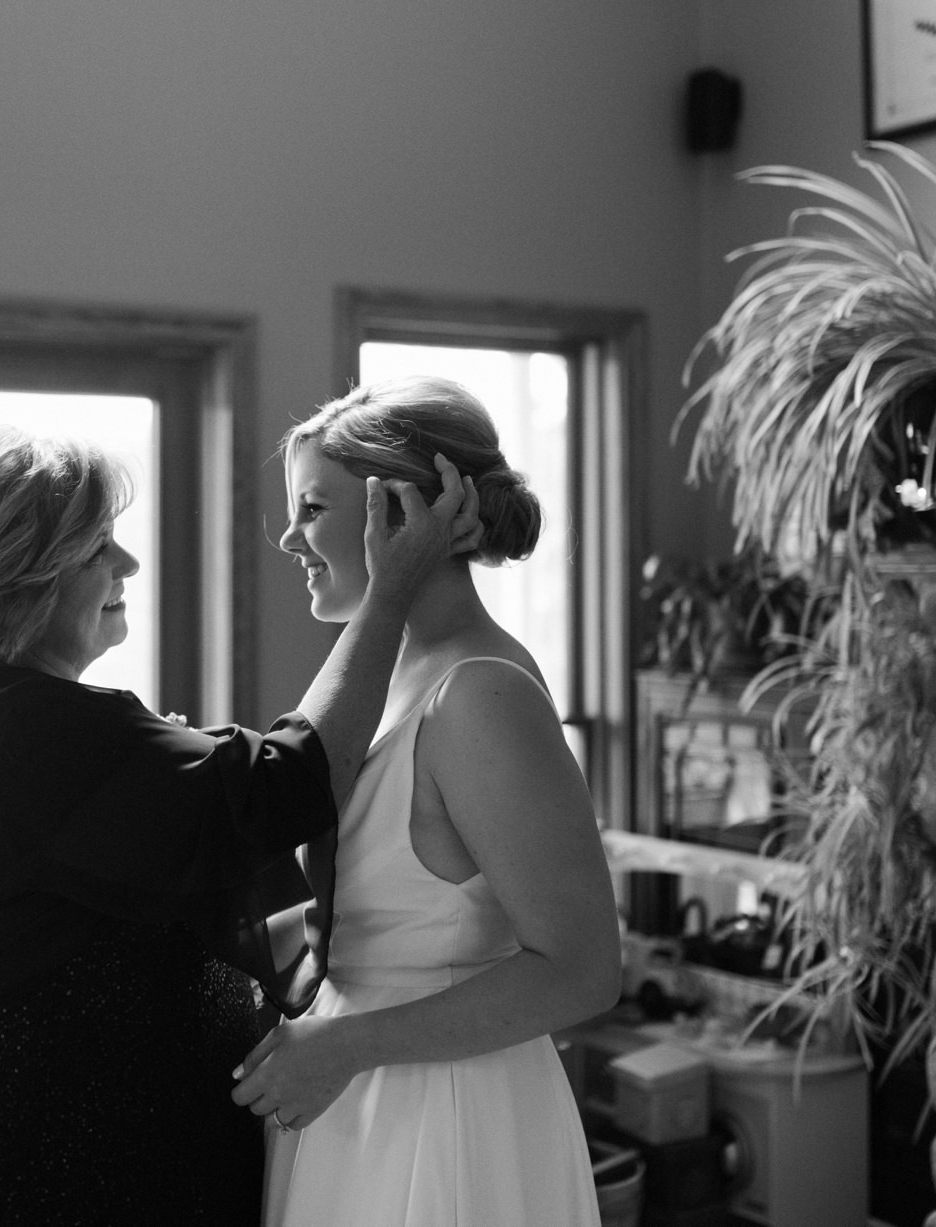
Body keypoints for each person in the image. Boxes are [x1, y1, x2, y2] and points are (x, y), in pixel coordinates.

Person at [0, 420, 466, 1226]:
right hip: (34, 1167)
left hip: (70, 1143)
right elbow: (286, 782)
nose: (128, 564)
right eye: (97, 549)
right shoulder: (28, 729)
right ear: (26, 580)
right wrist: (390, 593)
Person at [233, 376, 623, 1226]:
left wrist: (343, 1045)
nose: (291, 538)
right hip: (353, 1098)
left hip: (445, 1112)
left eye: (310, 508)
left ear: (400, 511)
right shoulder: (385, 667)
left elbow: (585, 967)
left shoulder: (479, 693)